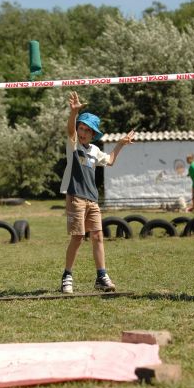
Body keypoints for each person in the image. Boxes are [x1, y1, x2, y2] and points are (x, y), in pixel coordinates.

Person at [60, 91, 135, 294]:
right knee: (77, 238)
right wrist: (74, 113)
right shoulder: (73, 145)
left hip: (92, 200)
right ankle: (67, 276)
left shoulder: (94, 150)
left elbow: (109, 161)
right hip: (76, 197)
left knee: (98, 237)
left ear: (93, 134)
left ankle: (101, 276)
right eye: (81, 128)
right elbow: (70, 130)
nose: (82, 132)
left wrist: (120, 144)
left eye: (87, 130)